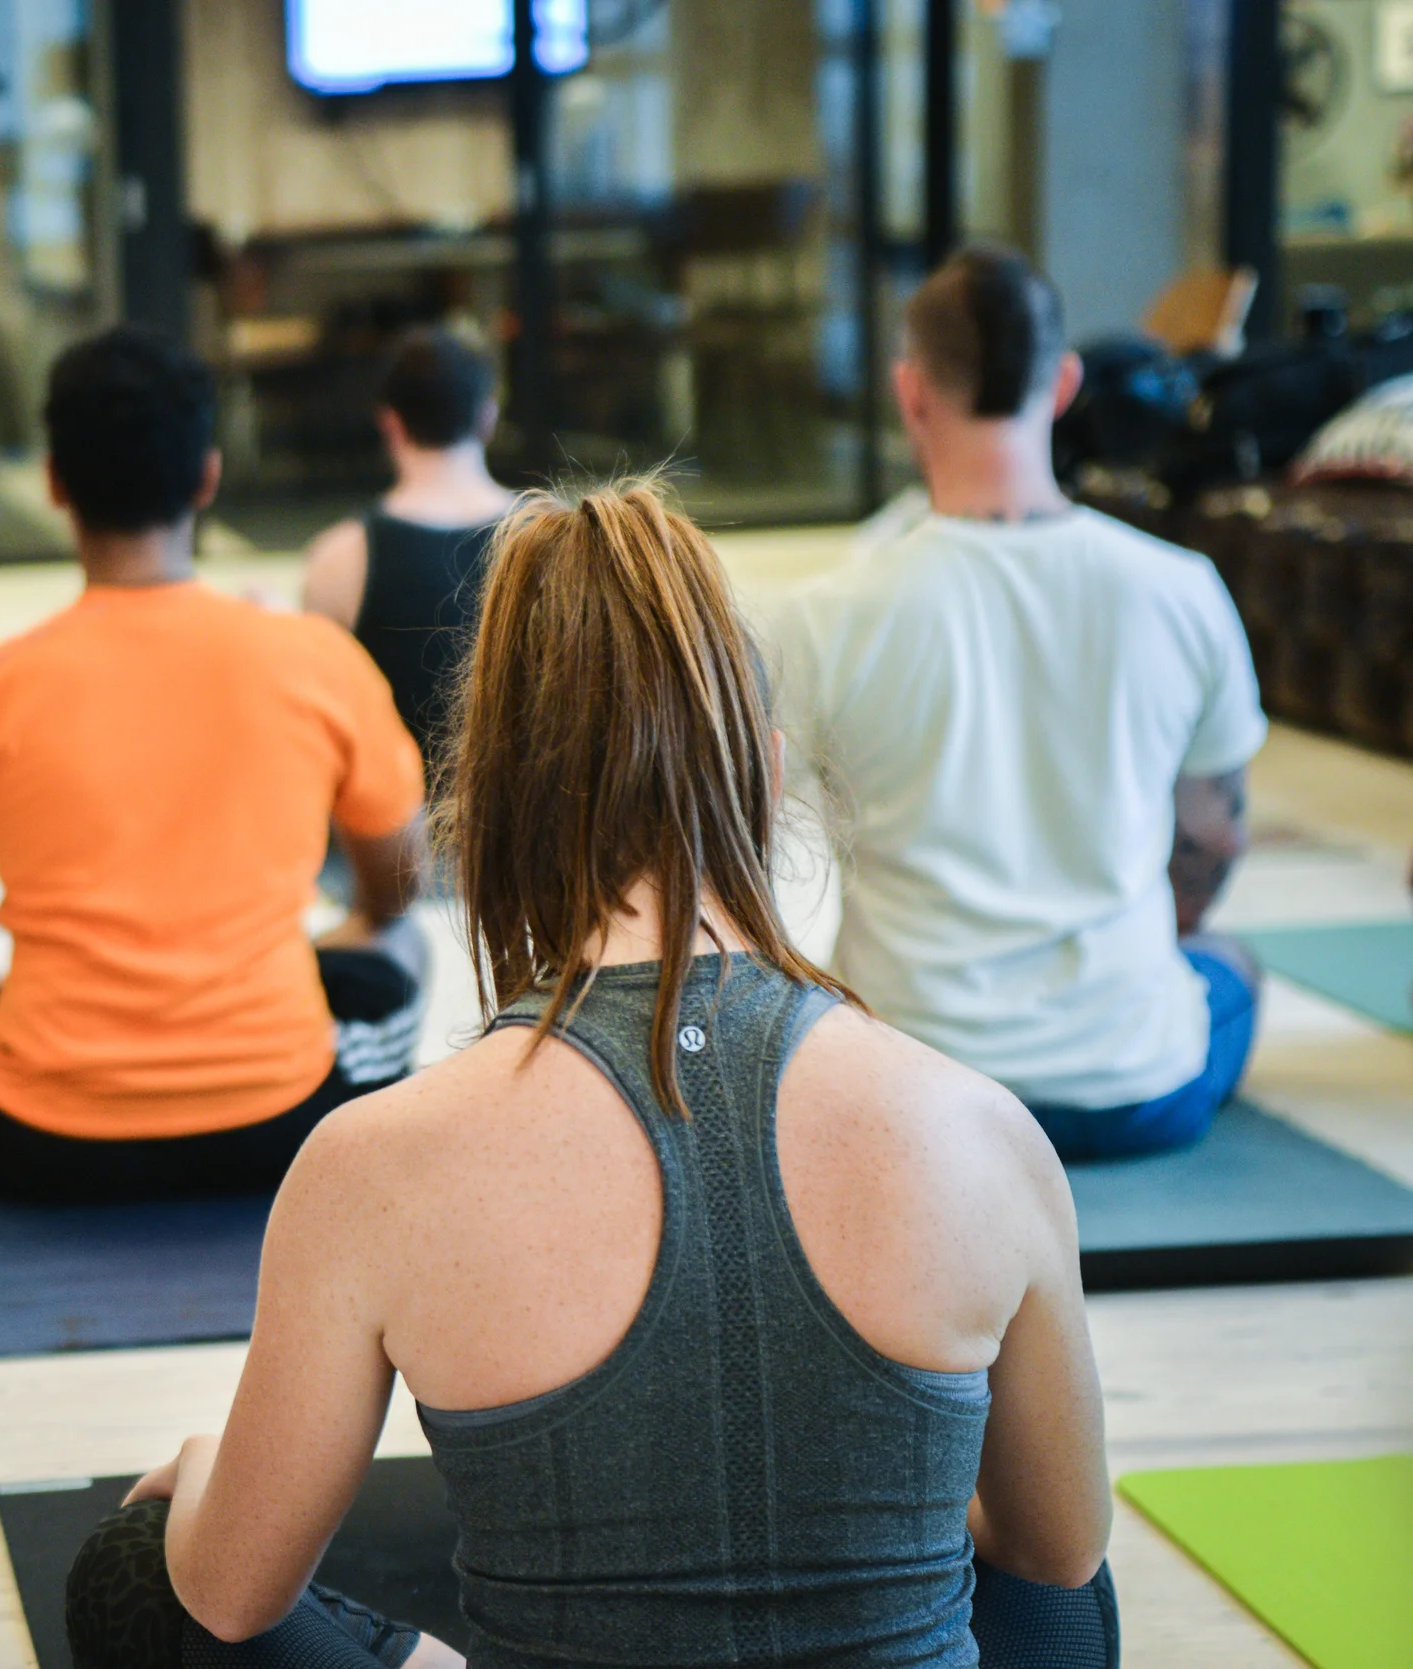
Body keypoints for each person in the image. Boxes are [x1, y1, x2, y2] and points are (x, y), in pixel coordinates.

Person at [64, 480, 1117, 1669]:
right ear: (766, 777)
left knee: (137, 1570)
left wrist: (202, 1476)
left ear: (493, 803)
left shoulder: (374, 1165)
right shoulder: (981, 1130)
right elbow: (1058, 1559)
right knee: (1074, 1585)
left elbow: (232, 1594)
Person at [0, 326, 429, 1203]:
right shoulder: (318, 661)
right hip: (284, 1119)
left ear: (55, 484)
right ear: (208, 478)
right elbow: (395, 892)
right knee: (400, 943)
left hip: (47, 1134)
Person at [769, 246, 1267, 1161]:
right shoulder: (1182, 588)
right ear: (1066, 382)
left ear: (909, 391)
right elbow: (1215, 835)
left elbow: (748, 841)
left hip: (911, 1095)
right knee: (1232, 970)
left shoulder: (822, 616)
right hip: (1130, 1090)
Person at [300, 327, 516, 768]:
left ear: (391, 423)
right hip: (532, 829)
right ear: (488, 417)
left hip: (397, 832)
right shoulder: (551, 533)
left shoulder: (339, 560)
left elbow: (326, 733)